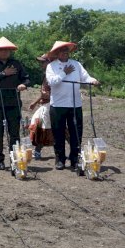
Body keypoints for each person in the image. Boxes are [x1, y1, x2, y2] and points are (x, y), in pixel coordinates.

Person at [45, 41, 100, 171]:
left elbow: (85, 77)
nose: (65, 52)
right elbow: (52, 82)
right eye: (62, 50)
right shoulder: (51, 66)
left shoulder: (76, 64)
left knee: (76, 132)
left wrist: (93, 81)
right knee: (58, 133)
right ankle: (60, 159)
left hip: (75, 104)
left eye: (66, 50)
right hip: (58, 104)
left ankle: (75, 159)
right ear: (57, 53)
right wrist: (64, 72)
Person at [0, 37, 30, 170]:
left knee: (14, 133)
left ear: (10, 51)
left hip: (13, 103)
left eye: (7, 50)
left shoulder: (17, 63)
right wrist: (3, 73)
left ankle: (15, 158)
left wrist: (22, 85)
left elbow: (26, 79)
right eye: (1, 50)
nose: (4, 52)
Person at [28, 53, 53, 159]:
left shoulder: (51, 75)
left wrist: (48, 95)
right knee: (40, 125)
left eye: (43, 62)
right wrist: (35, 102)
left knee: (41, 127)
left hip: (50, 104)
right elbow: (43, 93)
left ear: (49, 62)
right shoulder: (46, 74)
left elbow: (53, 93)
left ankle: (37, 151)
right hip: (45, 104)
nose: (41, 64)